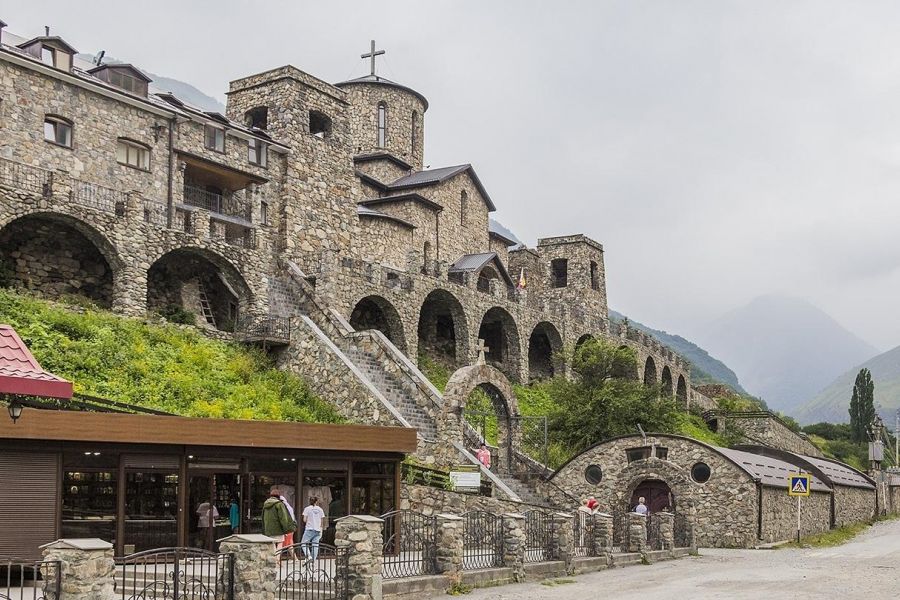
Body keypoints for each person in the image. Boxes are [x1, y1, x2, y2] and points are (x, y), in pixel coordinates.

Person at [262, 485, 296, 555]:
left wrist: (264, 528)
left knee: (273, 543)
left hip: (268, 529)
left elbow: (263, 517)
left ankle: (274, 558)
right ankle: (277, 558)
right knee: (280, 543)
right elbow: (283, 518)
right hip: (278, 529)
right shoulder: (279, 504)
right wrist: (286, 529)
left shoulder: (265, 504)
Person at [301, 496, 326, 563]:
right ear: (316, 501)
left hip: (309, 528)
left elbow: (304, 520)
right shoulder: (320, 509)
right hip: (318, 529)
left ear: (309, 501)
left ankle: (308, 556)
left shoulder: (307, 509)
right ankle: (313, 560)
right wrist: (321, 529)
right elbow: (322, 521)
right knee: (315, 545)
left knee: (303, 543)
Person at [280, 492, 297, 558]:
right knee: (290, 543)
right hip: (291, 527)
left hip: (287, 528)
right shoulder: (289, 507)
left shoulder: (284, 508)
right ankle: (295, 558)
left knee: (281, 543)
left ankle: (277, 558)